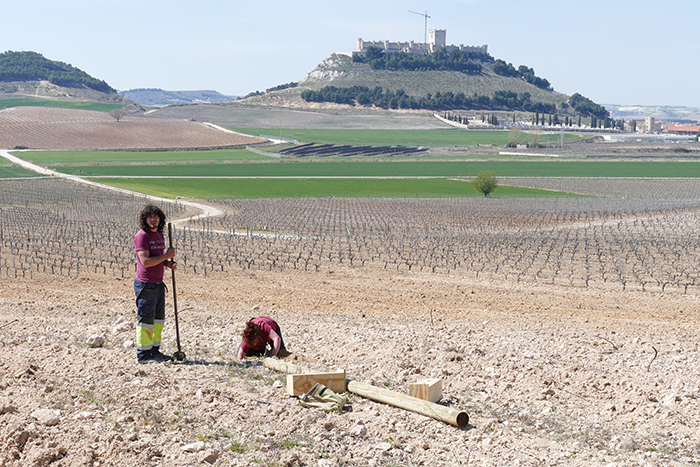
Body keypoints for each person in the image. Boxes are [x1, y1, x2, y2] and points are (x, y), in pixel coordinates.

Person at [134, 204, 177, 364]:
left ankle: (154, 351)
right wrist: (166, 255)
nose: (153, 219)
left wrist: (167, 263)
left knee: (158, 320)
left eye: (156, 216)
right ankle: (143, 356)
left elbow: (156, 258)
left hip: (158, 284)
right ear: (145, 219)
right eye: (150, 217)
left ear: (160, 219)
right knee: (146, 320)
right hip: (146, 285)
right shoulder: (142, 236)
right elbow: (145, 262)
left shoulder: (159, 235)